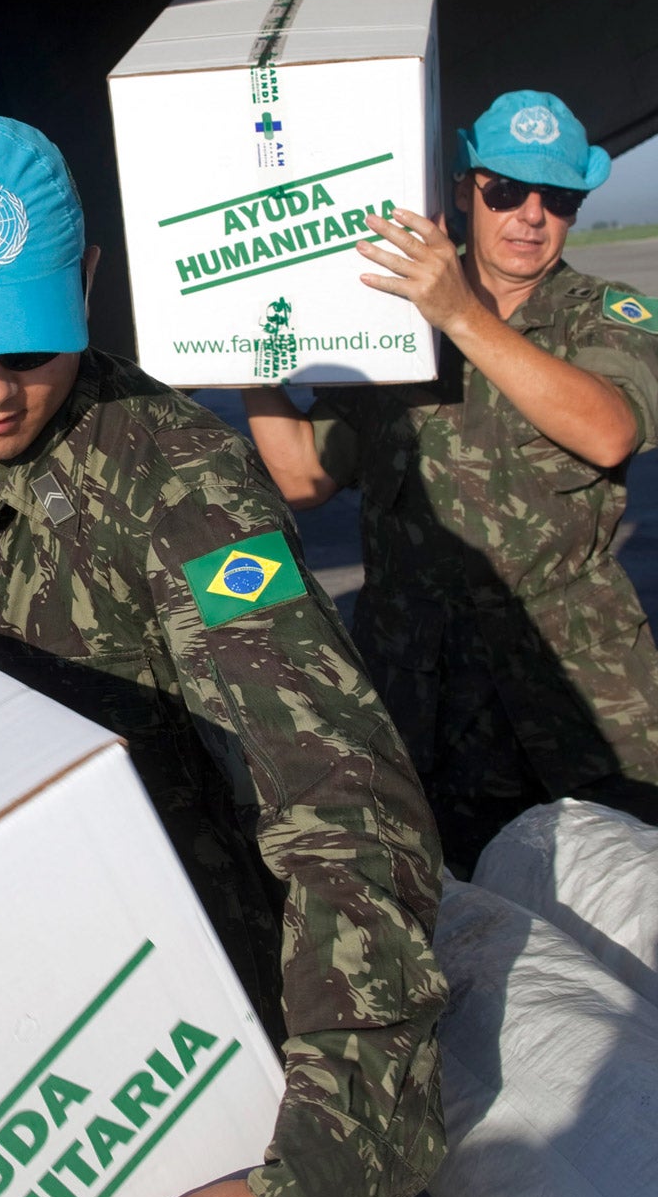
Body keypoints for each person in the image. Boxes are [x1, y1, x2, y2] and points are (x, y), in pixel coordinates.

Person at [0, 112, 447, 1197]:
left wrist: (316, 1188)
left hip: (205, 1022)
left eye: (32, 346)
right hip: (8, 1009)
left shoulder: (175, 475)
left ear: (93, 284)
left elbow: (343, 797)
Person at [245, 89, 658, 872]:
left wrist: (461, 314)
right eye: (506, 190)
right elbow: (301, 476)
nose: (530, 214)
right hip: (426, 702)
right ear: (465, 190)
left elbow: (609, 431)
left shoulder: (607, 314)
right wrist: (242, 363)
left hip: (579, 696)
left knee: (626, 912)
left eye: (557, 197)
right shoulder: (390, 328)